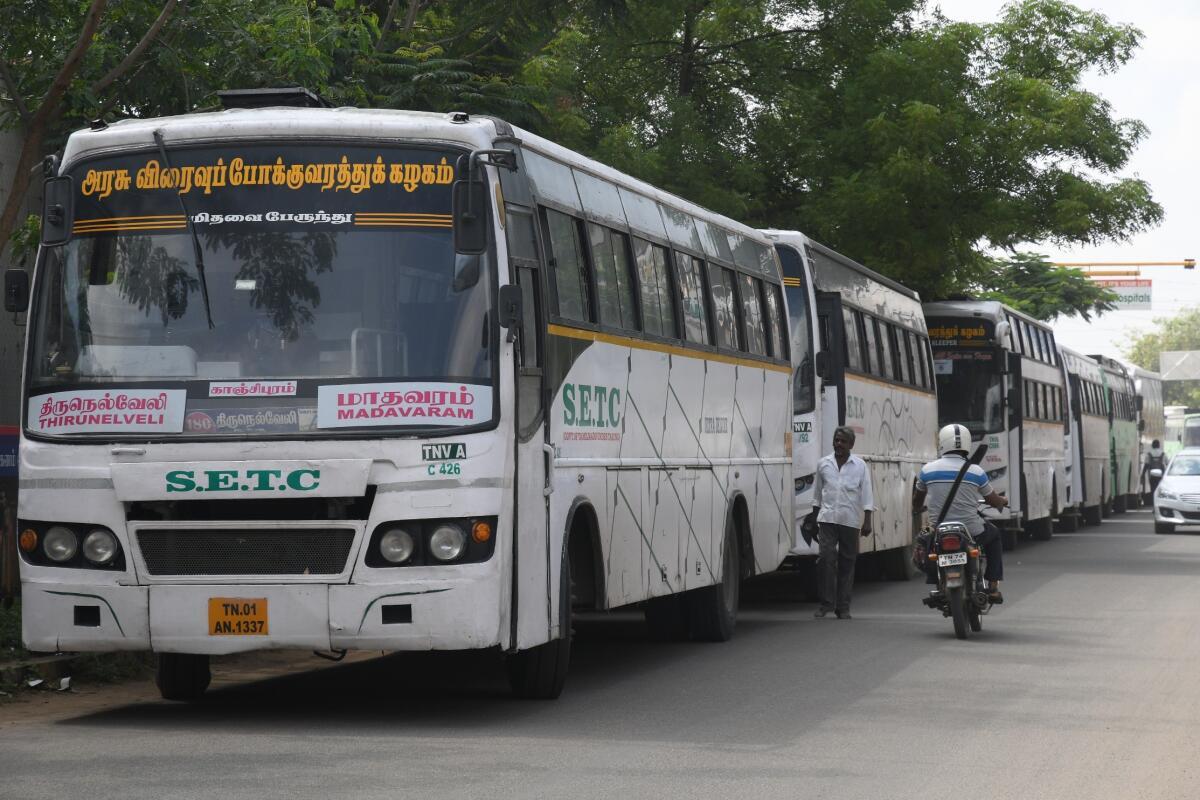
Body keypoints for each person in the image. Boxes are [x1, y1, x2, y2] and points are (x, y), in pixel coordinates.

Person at [913, 423, 1009, 603]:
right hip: (971, 530)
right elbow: (993, 501)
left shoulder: (927, 470)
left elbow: (917, 501)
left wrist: (918, 507)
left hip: (938, 530)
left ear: (942, 443)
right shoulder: (976, 471)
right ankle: (993, 587)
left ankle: (935, 581)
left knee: (927, 545)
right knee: (994, 536)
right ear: (965, 444)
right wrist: (1002, 501)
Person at [809, 426, 874, 620]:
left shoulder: (860, 466)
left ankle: (843, 607)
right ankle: (826, 603)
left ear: (851, 445)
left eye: (843, 441)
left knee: (847, 563)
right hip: (827, 519)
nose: (839, 444)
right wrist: (813, 520)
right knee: (826, 559)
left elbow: (867, 495)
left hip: (850, 521)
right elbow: (817, 495)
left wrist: (867, 520)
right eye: (836, 440)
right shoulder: (823, 464)